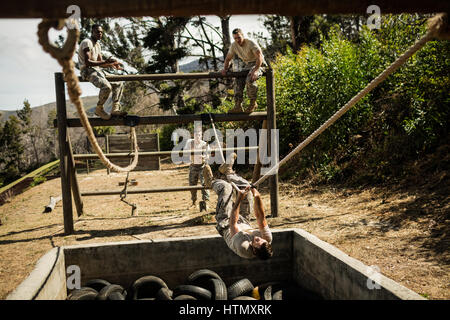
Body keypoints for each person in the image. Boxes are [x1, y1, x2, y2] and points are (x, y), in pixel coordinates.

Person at [202, 162, 273, 260]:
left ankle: (210, 182)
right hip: (244, 220)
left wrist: (239, 198)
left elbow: (233, 223)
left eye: (257, 241)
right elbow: (260, 217)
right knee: (247, 187)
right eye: (261, 239)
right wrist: (257, 196)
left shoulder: (243, 247)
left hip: (226, 222)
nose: (258, 238)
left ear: (254, 250)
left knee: (226, 188)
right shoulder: (267, 239)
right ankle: (228, 172)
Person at [78, 24, 126, 120]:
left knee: (118, 82)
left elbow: (100, 63)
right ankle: (99, 109)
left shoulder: (98, 45)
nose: (99, 34)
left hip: (97, 70)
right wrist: (106, 62)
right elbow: (88, 63)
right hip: (87, 71)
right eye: (97, 32)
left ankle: (115, 109)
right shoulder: (87, 42)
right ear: (92, 32)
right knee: (106, 87)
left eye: (101, 32)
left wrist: (112, 64)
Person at [220, 28, 267, 114]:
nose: (237, 40)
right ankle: (238, 106)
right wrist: (225, 69)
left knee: (250, 78)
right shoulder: (234, 45)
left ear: (243, 36)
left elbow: (259, 57)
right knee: (238, 79)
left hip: (259, 64)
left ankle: (253, 103)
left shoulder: (250, 43)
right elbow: (227, 59)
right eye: (235, 38)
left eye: (239, 37)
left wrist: (256, 70)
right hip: (248, 65)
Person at [186, 128, 210, 210]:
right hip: (193, 166)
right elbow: (185, 152)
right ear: (193, 135)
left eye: (199, 135)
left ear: (201, 135)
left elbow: (208, 155)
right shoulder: (190, 143)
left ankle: (205, 202)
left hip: (202, 166)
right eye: (196, 135)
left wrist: (203, 156)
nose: (197, 136)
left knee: (204, 184)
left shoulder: (204, 144)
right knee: (192, 184)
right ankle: (193, 202)